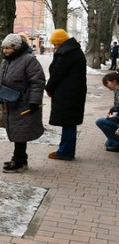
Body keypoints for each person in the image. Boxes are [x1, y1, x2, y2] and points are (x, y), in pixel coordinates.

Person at [0, 34, 46, 173]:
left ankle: (19, 161)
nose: (5, 51)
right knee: (16, 131)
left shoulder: (29, 60)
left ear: (17, 48)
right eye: (4, 48)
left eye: (8, 48)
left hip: (24, 103)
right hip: (10, 102)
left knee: (20, 133)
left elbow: (37, 82)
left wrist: (34, 101)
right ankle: (20, 159)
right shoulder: (6, 61)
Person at [45, 29, 86, 161]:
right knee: (69, 122)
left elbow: (57, 73)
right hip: (73, 92)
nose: (55, 47)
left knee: (68, 122)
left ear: (60, 42)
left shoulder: (66, 54)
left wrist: (49, 87)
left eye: (56, 44)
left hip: (67, 93)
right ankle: (65, 150)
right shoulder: (74, 51)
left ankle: (65, 152)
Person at [95, 72, 119, 152]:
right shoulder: (116, 90)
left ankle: (117, 143)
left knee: (100, 121)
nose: (107, 86)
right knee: (108, 144)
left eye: (107, 83)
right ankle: (116, 142)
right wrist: (112, 109)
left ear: (114, 81)